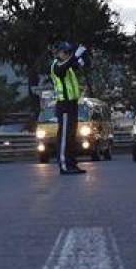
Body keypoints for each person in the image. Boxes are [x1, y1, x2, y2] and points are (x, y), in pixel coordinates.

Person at [51, 42, 90, 175]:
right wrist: (75, 56)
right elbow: (64, 67)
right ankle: (64, 165)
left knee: (72, 136)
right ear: (59, 53)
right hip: (64, 105)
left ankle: (72, 164)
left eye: (69, 52)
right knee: (64, 137)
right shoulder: (56, 65)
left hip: (72, 104)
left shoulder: (68, 66)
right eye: (65, 52)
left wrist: (82, 56)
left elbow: (78, 65)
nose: (67, 55)